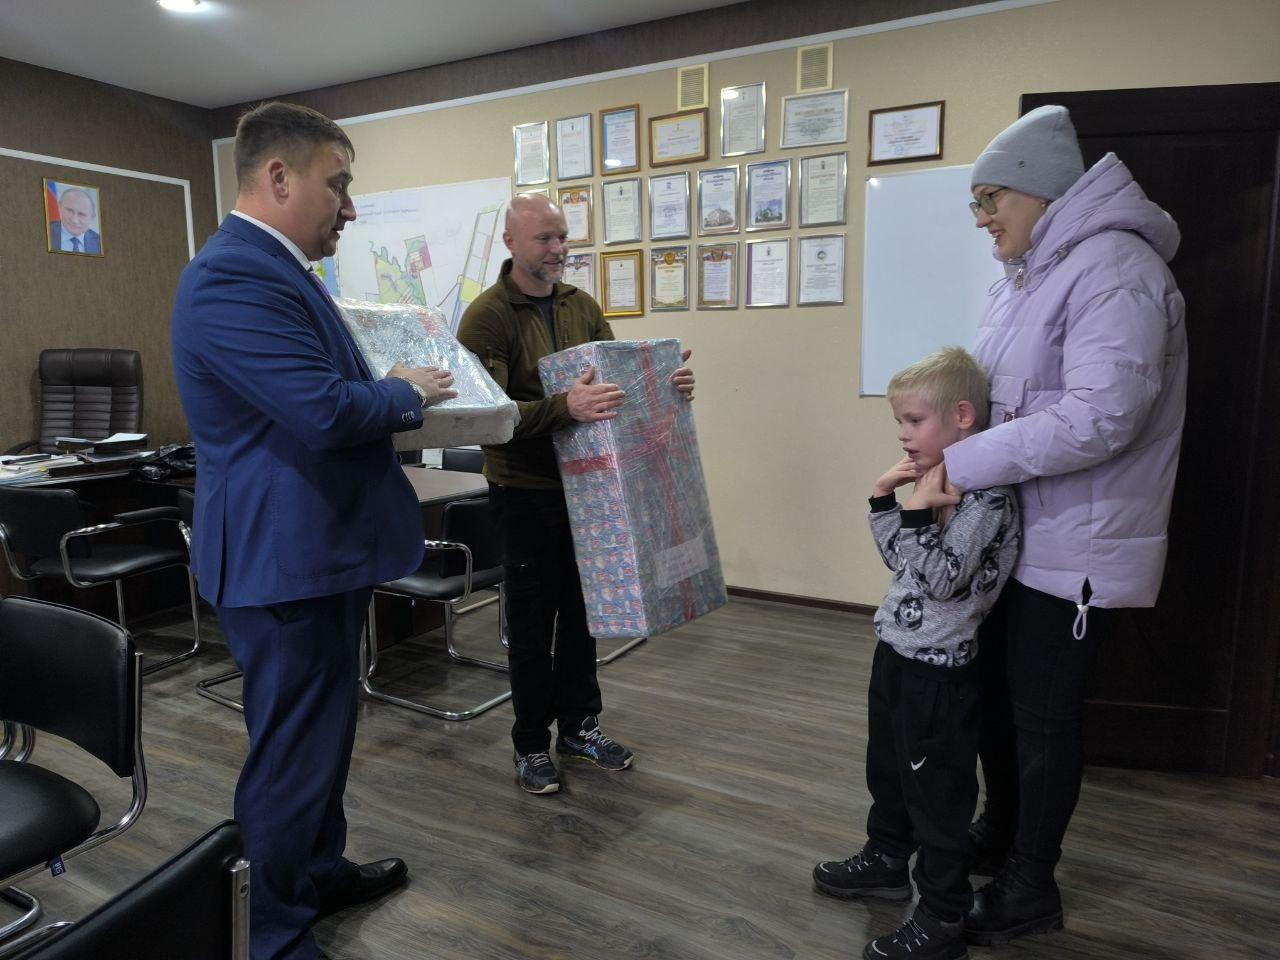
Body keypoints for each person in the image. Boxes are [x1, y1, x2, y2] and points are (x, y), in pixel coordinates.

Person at [171, 101, 457, 960]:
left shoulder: (276, 270)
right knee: (292, 753)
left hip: (312, 552)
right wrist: (406, 390)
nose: (350, 207)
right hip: (281, 560)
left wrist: (390, 389)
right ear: (278, 177)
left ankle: (314, 873)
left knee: (322, 738)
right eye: (339, 184)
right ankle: (271, 932)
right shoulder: (233, 276)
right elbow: (324, 411)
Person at [942, 105, 1187, 946]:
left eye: (991, 200)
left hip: (1075, 543)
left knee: (1043, 718)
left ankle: (1029, 886)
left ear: (1041, 189)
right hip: (1018, 537)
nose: (982, 219)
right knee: (999, 703)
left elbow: (1101, 416)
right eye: (976, 203)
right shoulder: (1029, 275)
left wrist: (960, 463)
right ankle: (1001, 834)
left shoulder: (1114, 267)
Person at [456, 193, 694, 795]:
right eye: (544, 238)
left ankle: (580, 728)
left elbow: (612, 385)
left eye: (562, 236)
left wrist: (665, 383)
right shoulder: (487, 317)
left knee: (585, 615)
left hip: (588, 489)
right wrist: (566, 407)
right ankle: (531, 744)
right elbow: (488, 418)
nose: (558, 248)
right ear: (510, 243)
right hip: (524, 492)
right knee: (533, 625)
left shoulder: (580, 305)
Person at [812, 347, 1019, 960]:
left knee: (938, 797)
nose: (903, 434)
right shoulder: (933, 483)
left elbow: (944, 580)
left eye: (914, 421)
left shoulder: (987, 497)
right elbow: (901, 562)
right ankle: (885, 859)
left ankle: (942, 916)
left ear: (962, 416)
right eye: (899, 421)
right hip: (898, 654)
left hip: (940, 674)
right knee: (889, 770)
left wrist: (921, 514)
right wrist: (886, 500)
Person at [50, 186, 102, 254]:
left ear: (92, 218)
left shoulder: (100, 243)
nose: (74, 220)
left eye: (81, 214)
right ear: (59, 207)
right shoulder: (46, 231)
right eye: (69, 210)